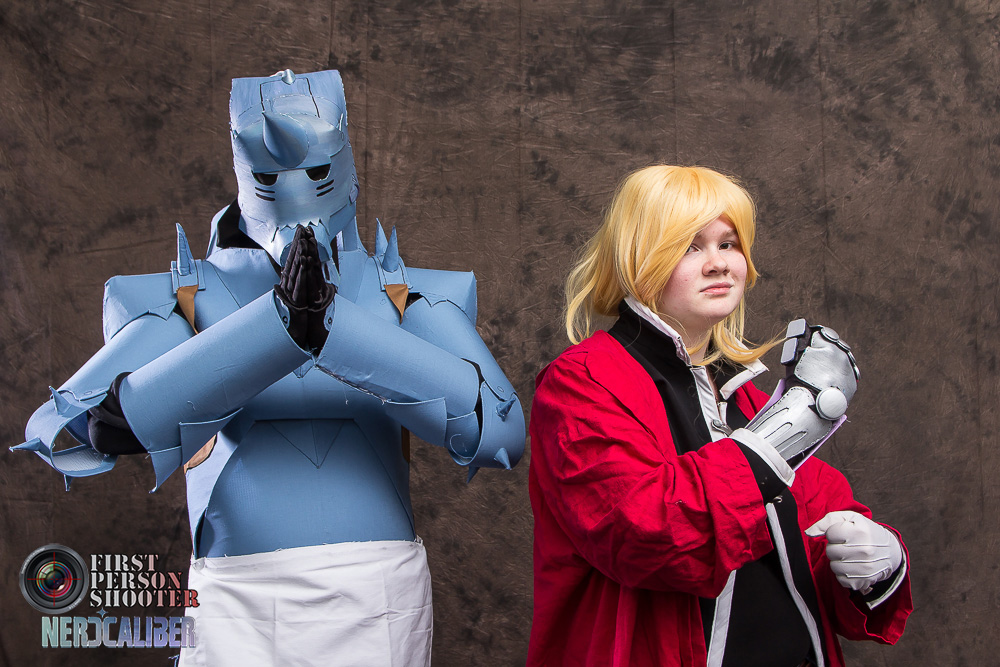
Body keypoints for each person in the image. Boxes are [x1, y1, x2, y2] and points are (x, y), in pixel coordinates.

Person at [13, 69, 524, 666]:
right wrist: (276, 329)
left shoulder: (399, 293)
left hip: (377, 597)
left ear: (346, 164)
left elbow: (500, 430)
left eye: (316, 171)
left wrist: (335, 332)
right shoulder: (191, 295)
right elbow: (86, 427)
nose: (295, 192)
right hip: (237, 601)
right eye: (268, 177)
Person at [527, 165, 911, 667]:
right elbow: (644, 536)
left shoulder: (746, 399)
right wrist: (793, 424)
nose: (719, 264)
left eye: (728, 244)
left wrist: (877, 564)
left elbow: (812, 528)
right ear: (638, 257)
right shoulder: (582, 382)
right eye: (689, 247)